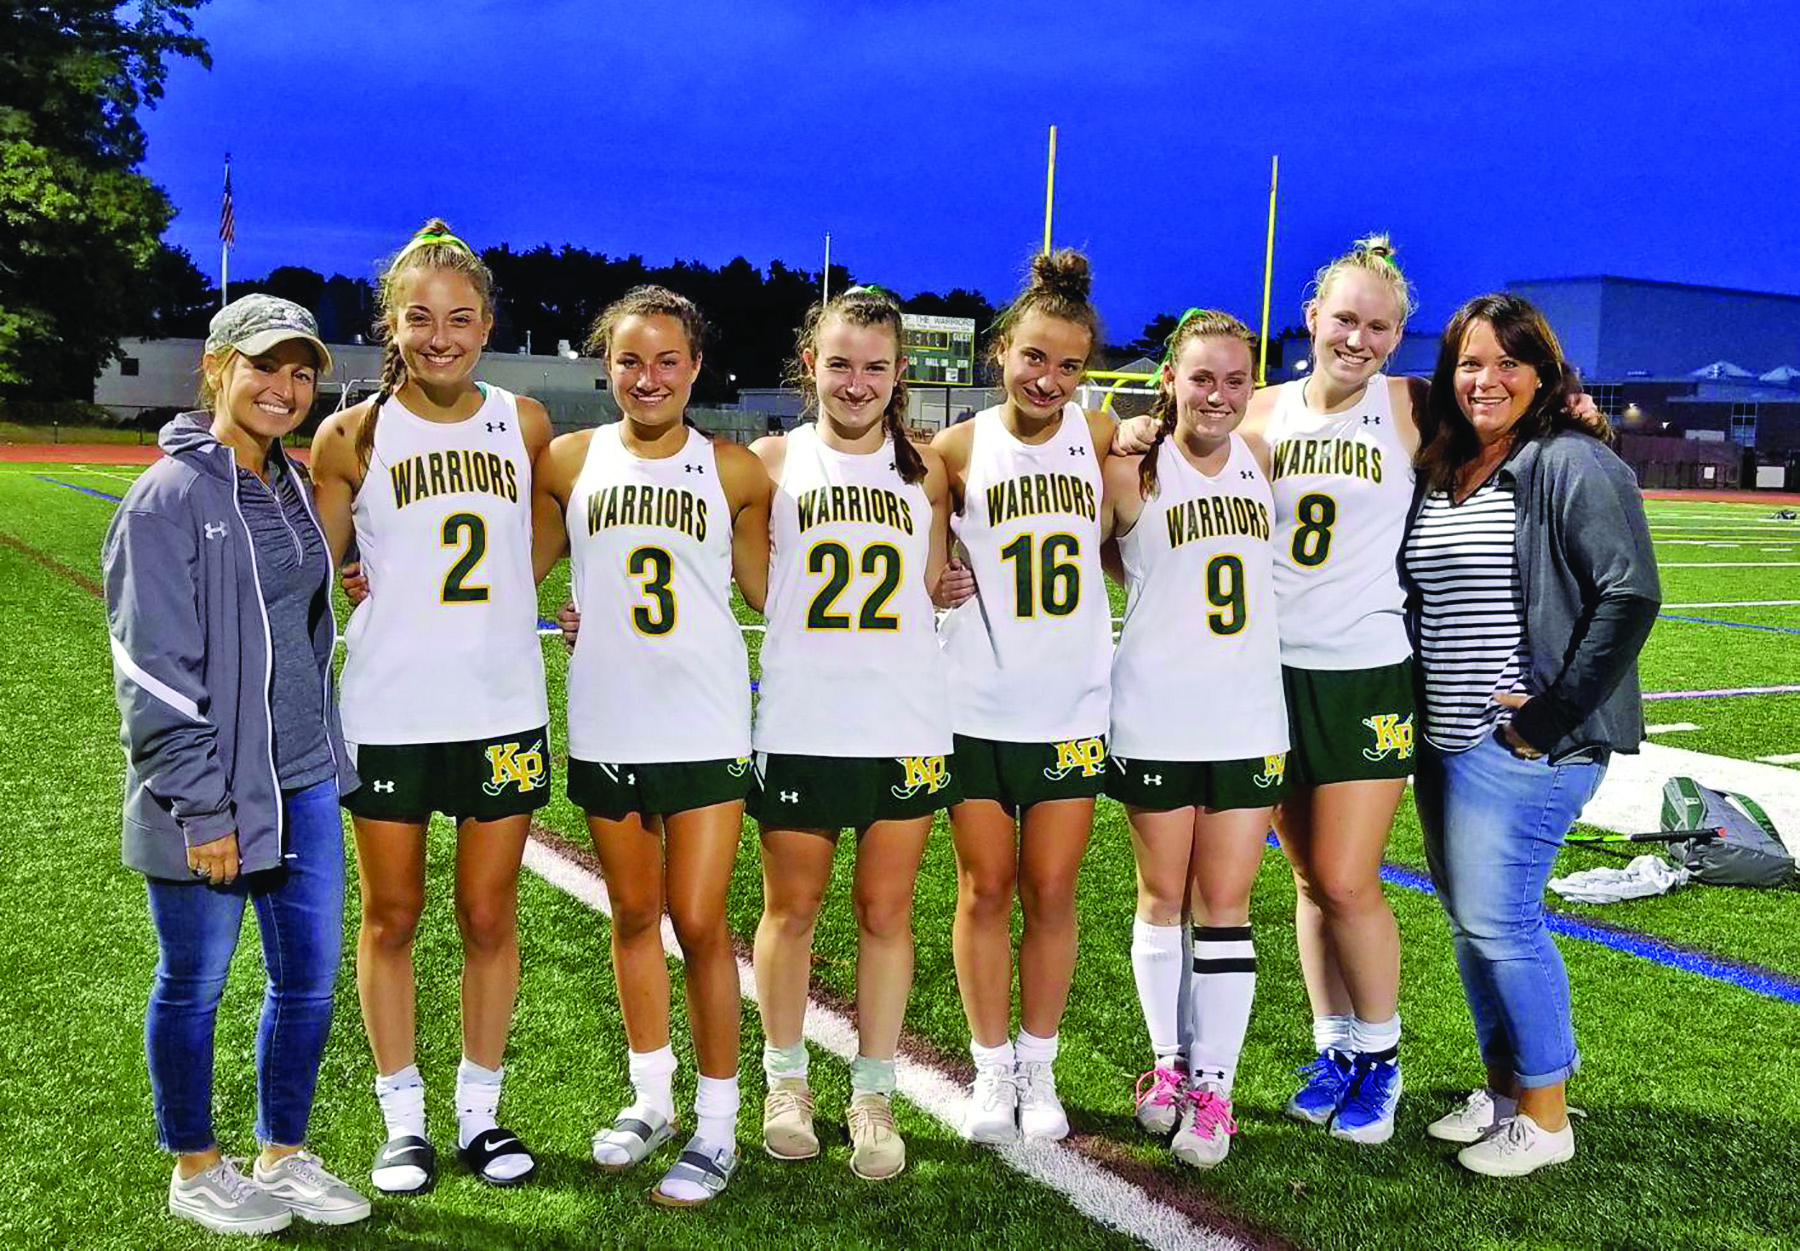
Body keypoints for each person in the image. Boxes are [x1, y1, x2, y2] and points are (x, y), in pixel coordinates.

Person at [103, 295, 370, 1234]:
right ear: (215, 367)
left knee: (308, 979)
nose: (285, 388)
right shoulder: (169, 495)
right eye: (265, 367)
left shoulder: (288, 480)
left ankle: (283, 1153)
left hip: (300, 777)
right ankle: (195, 1165)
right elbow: (152, 672)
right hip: (212, 793)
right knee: (196, 982)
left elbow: (289, 613)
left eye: (302, 373)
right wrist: (202, 807)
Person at [310, 220, 554, 1191]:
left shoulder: (525, 422)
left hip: (501, 704)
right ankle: (402, 1117)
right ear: (393, 326)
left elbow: (544, 535)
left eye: (460, 318)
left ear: (487, 324)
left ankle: (481, 1117)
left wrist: (520, 599)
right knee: (393, 915)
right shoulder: (350, 434)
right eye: (421, 319)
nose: (441, 335)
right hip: (392, 709)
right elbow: (313, 569)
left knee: (490, 914)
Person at [1405, 293, 1657, 1176]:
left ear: (1545, 375)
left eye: (1511, 362)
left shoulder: (1571, 461)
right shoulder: (1449, 462)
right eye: (1471, 361)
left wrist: (1549, 715)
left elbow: (1629, 593)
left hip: (1521, 743)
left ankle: (1546, 1118)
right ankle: (1507, 1091)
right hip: (1443, 740)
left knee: (1501, 922)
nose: (1488, 379)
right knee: (1473, 926)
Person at [532, 286, 772, 1205]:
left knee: (701, 920)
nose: (649, 376)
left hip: (705, 721)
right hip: (607, 715)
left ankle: (718, 1124)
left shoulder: (737, 470)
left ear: (697, 367)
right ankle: (651, 1098)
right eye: (631, 359)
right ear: (607, 365)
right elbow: (520, 563)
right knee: (633, 915)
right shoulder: (568, 460)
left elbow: (770, 592)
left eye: (668, 359)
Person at [749, 285, 960, 1181]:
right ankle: (786, 1079)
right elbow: (741, 581)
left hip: (906, 718)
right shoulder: (769, 460)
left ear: (900, 371)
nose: (857, 381)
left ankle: (872, 1091)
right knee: (790, 909)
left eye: (876, 366)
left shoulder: (928, 468)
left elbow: (938, 575)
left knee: (885, 911)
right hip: (803, 717)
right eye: (840, 363)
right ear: (811, 365)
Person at [932, 249, 1115, 1143]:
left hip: (1072, 703)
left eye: (1070, 364)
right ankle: (990, 1064)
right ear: (1002, 349)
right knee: (984, 888)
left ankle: (1039, 1066)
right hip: (973, 702)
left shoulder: (1109, 433)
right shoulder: (957, 448)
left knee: (1051, 888)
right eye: (1035, 357)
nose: (1050, 379)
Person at [1105, 310, 1287, 1170]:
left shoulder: (1264, 454)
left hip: (1249, 712)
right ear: (1170, 378)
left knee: (1225, 904)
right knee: (1158, 897)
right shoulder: (1131, 465)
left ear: (1251, 388)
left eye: (1234, 379)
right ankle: (1168, 1066)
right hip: (1155, 711)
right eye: (1200, 377)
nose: (1217, 394)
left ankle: (1215, 1085)